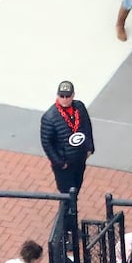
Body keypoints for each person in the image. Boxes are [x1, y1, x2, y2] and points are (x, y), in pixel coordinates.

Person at [41, 81, 94, 226]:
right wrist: (60, 163)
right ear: (57, 96)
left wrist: (89, 148)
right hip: (64, 166)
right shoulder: (50, 117)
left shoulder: (79, 108)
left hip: (79, 160)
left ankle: (70, 227)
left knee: (75, 194)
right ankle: (67, 229)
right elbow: (46, 143)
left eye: (67, 96)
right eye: (61, 96)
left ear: (73, 96)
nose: (64, 99)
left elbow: (87, 127)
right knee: (68, 198)